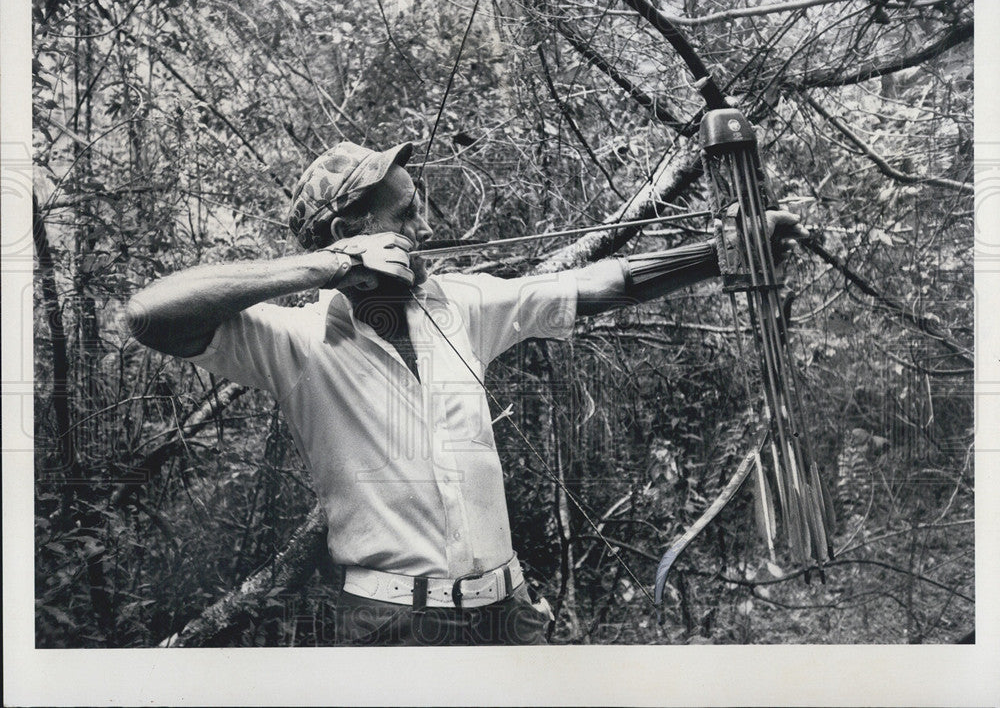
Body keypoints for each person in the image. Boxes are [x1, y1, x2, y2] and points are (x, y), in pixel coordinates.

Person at [126, 140, 805, 645]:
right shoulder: (293, 342)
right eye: (405, 217)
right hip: (388, 625)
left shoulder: (465, 306)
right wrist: (325, 268)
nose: (423, 232)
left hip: (507, 609)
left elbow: (603, 285)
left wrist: (727, 249)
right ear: (347, 235)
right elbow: (148, 315)